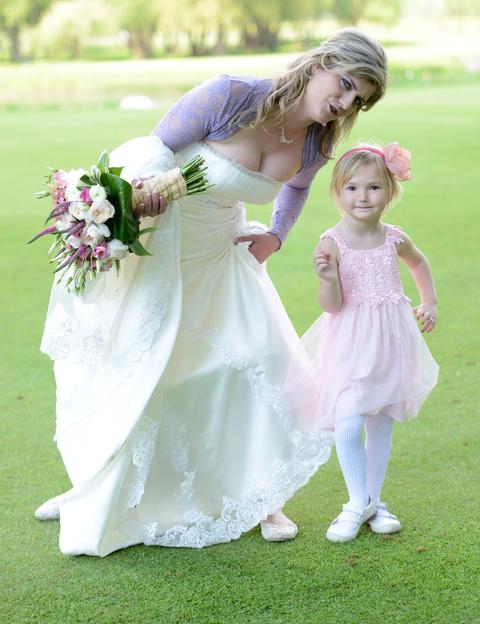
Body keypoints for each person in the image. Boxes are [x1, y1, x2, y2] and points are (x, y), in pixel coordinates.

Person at [35, 29, 387, 556]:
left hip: (224, 252)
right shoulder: (230, 95)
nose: (344, 103)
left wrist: (276, 235)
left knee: (263, 362)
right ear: (321, 63)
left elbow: (296, 187)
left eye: (357, 99)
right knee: (143, 371)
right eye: (345, 84)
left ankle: (263, 500)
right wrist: (144, 195)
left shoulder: (317, 143)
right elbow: (154, 149)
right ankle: (92, 488)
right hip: (165, 248)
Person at [303, 143, 439, 543]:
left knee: (380, 421)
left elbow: (419, 262)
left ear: (390, 192)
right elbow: (332, 306)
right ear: (337, 192)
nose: (362, 197)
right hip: (350, 344)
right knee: (347, 423)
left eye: (373, 187)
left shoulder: (394, 238)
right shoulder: (332, 242)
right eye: (352, 188)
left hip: (390, 341)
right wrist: (328, 279)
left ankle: (374, 502)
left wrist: (429, 301)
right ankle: (356, 502)